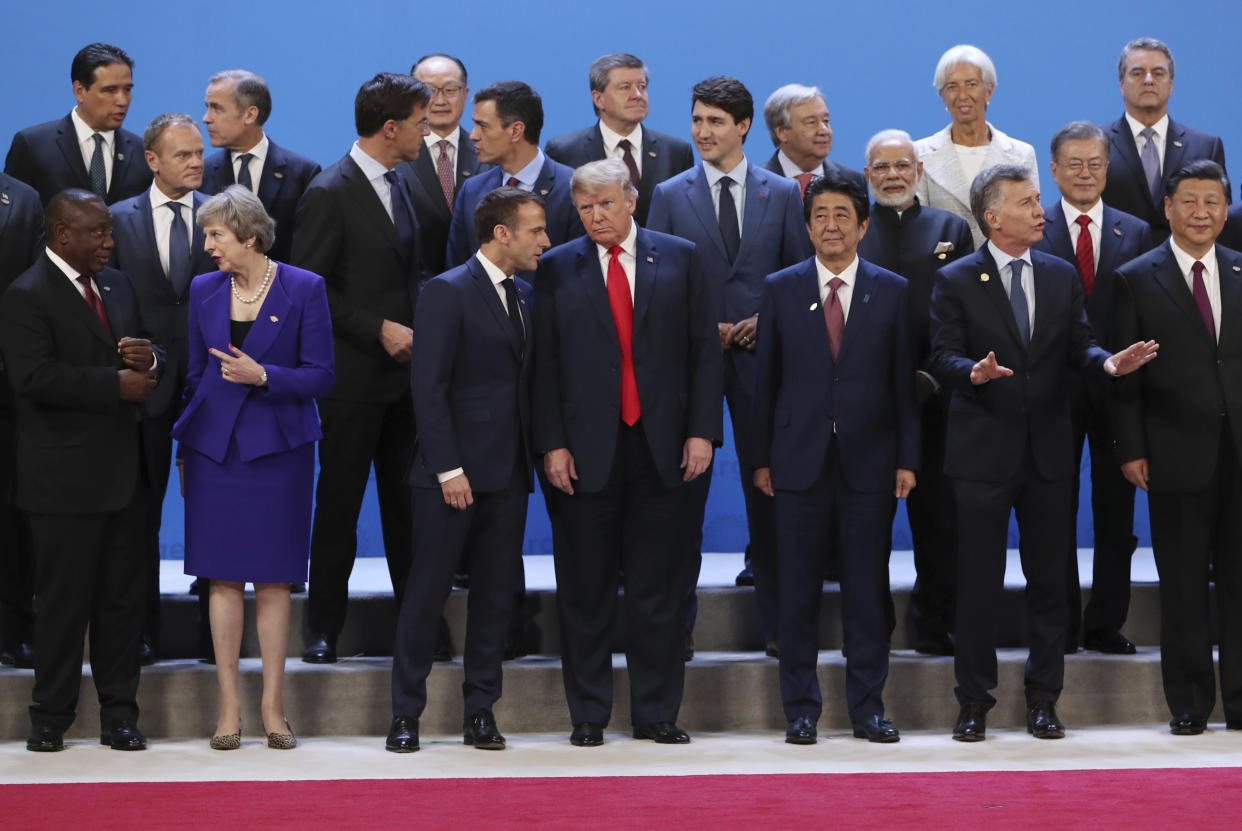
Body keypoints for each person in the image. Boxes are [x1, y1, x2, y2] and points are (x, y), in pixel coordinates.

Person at [927, 164, 1156, 743]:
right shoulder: (956, 279)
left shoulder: (1058, 275)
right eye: (1029, 202)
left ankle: (1044, 700)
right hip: (981, 455)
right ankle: (974, 702)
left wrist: (1108, 362)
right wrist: (973, 374)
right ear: (993, 216)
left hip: (1049, 453)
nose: (1042, 211)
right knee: (977, 583)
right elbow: (942, 356)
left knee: (1051, 582)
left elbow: (1078, 343)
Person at [534, 158, 722, 747]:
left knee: (658, 589)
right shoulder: (555, 268)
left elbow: (703, 354)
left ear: (630, 201)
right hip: (584, 452)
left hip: (665, 448)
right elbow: (541, 369)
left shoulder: (682, 256)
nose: (595, 217)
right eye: (584, 207)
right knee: (585, 589)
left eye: (605, 204)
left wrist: (701, 431)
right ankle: (588, 715)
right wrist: (552, 444)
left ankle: (657, 713)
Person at [753, 173, 919, 745]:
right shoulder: (779, 288)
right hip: (796, 464)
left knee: (866, 593)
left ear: (864, 225)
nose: (831, 225)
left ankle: (868, 709)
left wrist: (906, 459)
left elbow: (904, 385)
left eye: (842, 215)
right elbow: (764, 385)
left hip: (869, 465)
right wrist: (761, 460)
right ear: (807, 226)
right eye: (820, 215)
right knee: (796, 593)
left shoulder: (892, 290)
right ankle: (801, 710)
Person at [648, 76, 810, 659]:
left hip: (763, 363)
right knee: (680, 497)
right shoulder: (668, 194)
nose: (702, 132)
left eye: (715, 122)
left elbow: (800, 281)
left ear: (743, 127)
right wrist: (701, 328)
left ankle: (778, 625)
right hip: (690, 366)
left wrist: (767, 321)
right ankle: (675, 628)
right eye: (696, 120)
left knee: (768, 495)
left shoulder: (784, 194)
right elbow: (655, 284)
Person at [0, 189, 162, 752]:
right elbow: (33, 379)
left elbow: (145, 354)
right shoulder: (26, 295)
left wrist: (151, 359)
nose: (110, 242)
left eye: (110, 232)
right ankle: (49, 720)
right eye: (98, 233)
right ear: (62, 234)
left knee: (122, 607)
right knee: (63, 608)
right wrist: (113, 385)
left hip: (125, 477)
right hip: (62, 484)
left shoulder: (118, 285)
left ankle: (121, 716)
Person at [174, 185, 334, 749]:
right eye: (206, 236)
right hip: (214, 451)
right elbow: (195, 377)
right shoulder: (203, 290)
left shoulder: (303, 288)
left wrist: (264, 376)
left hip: (279, 452)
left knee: (272, 579)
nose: (209, 246)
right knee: (221, 576)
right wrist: (184, 450)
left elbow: (321, 375)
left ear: (249, 234)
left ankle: (272, 708)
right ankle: (228, 710)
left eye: (216, 235)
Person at [386, 187, 544, 753]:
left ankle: (481, 711)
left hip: (507, 475)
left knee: (496, 598)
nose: (544, 241)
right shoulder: (446, 292)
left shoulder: (525, 294)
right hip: (448, 478)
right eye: (535, 230)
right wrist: (449, 468)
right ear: (502, 233)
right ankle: (405, 715)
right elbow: (428, 388)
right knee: (426, 595)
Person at [292, 73, 430, 664]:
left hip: (406, 383)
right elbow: (307, 289)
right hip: (352, 382)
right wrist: (378, 329)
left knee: (409, 512)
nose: (431, 130)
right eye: (422, 122)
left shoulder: (407, 184)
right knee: (340, 507)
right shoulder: (329, 190)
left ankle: (418, 625)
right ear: (391, 128)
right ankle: (323, 627)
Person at [1113, 160, 1242, 735]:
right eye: (1188, 201)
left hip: (1238, 452)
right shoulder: (1137, 277)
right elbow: (1126, 376)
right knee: (1184, 584)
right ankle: (1189, 704)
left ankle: (1239, 703)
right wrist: (1131, 448)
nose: (1200, 213)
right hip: (1173, 450)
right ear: (1167, 208)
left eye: (1212, 202)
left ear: (1225, 209)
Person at [1032, 121, 1154, 655]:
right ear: (1053, 170)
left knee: (1115, 514)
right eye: (1073, 164)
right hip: (1053, 391)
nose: (1085, 174)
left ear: (1108, 169)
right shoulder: (1035, 227)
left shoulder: (1137, 231)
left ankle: (1106, 623)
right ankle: (1058, 625)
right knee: (1054, 511)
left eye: (1095, 164)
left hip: (1118, 393)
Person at [856, 129, 975, 656]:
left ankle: (934, 627)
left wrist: (931, 377)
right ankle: (871, 631)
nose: (893, 175)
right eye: (881, 167)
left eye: (902, 165)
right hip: (867, 406)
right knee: (867, 530)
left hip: (936, 402)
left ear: (919, 172)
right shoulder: (854, 231)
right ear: (867, 176)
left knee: (939, 525)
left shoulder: (950, 228)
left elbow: (965, 315)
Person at [109, 113, 216, 664]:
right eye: (183, 155)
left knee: (214, 509)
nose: (197, 162)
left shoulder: (224, 215)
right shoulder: (115, 220)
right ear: (152, 161)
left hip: (211, 385)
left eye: (199, 153)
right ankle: (142, 629)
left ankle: (211, 635)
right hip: (144, 386)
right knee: (140, 516)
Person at [1101, 38, 1227, 244]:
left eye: (1158, 73)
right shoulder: (1098, 145)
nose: (1148, 80)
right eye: (1137, 73)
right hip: (1115, 268)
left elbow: (1220, 217)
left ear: (1171, 85)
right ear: (1122, 84)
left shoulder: (1206, 147)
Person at [445, 81, 582, 270]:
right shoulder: (472, 190)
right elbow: (456, 269)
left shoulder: (573, 189)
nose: (473, 135)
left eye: (482, 126)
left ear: (516, 130)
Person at [545, 53, 695, 225]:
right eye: (625, 87)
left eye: (642, 86)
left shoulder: (676, 152)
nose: (637, 95)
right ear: (598, 98)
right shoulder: (564, 152)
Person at [914, 45, 1039, 247]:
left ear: (989, 91)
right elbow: (920, 228)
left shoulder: (1022, 154)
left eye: (971, 84)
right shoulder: (919, 155)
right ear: (942, 95)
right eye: (952, 87)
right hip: (944, 272)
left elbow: (1029, 223)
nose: (962, 95)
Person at [5, 43, 151, 206]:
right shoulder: (33, 146)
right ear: (79, 91)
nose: (123, 101)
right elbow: (11, 217)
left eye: (127, 90)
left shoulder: (142, 152)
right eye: (110, 90)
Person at [201, 69, 322, 265]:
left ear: (250, 114)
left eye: (216, 108)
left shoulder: (302, 173)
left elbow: (308, 253)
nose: (206, 118)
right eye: (207, 107)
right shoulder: (203, 173)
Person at [0, 172, 43, 669]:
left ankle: (15, 626)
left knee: (13, 510)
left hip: (10, 382)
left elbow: (36, 288)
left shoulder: (24, 199)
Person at [400, 54, 489, 277]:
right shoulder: (396, 158)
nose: (440, 100)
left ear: (466, 93)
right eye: (429, 90)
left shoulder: (489, 154)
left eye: (450, 90)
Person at [759, 84, 865, 198]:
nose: (824, 130)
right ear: (782, 132)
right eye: (811, 122)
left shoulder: (853, 180)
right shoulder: (754, 183)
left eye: (826, 120)